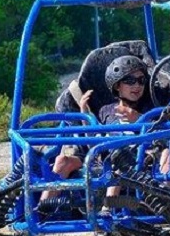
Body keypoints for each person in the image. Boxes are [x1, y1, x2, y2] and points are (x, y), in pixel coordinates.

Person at [40, 55, 150, 205]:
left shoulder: (149, 109)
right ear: (117, 85)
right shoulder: (106, 110)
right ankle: (42, 209)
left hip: (135, 159)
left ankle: (108, 211)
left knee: (119, 158)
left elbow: (161, 134)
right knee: (62, 160)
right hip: (103, 157)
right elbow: (94, 139)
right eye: (130, 81)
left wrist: (139, 118)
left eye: (141, 80)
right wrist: (85, 114)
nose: (137, 85)